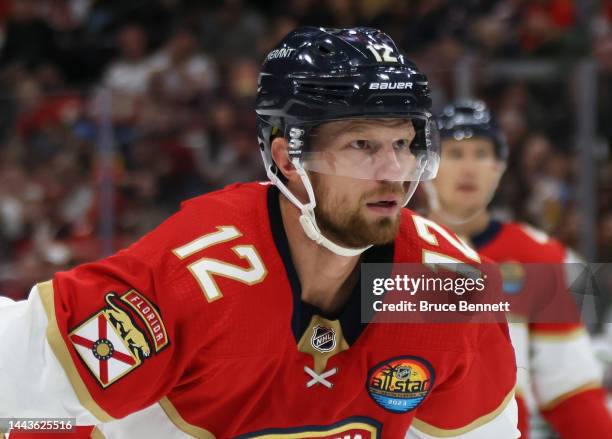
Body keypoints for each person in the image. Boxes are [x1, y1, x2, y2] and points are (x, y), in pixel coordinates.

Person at [0, 28, 519, 438]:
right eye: (362, 145)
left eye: (403, 144)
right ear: (287, 158)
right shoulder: (195, 272)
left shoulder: (451, 288)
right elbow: (19, 377)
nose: (393, 171)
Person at [426, 99, 612, 438]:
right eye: (454, 154)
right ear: (427, 166)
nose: (468, 168)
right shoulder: (384, 255)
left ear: (499, 167)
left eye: (481, 154)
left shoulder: (541, 258)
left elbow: (571, 391)